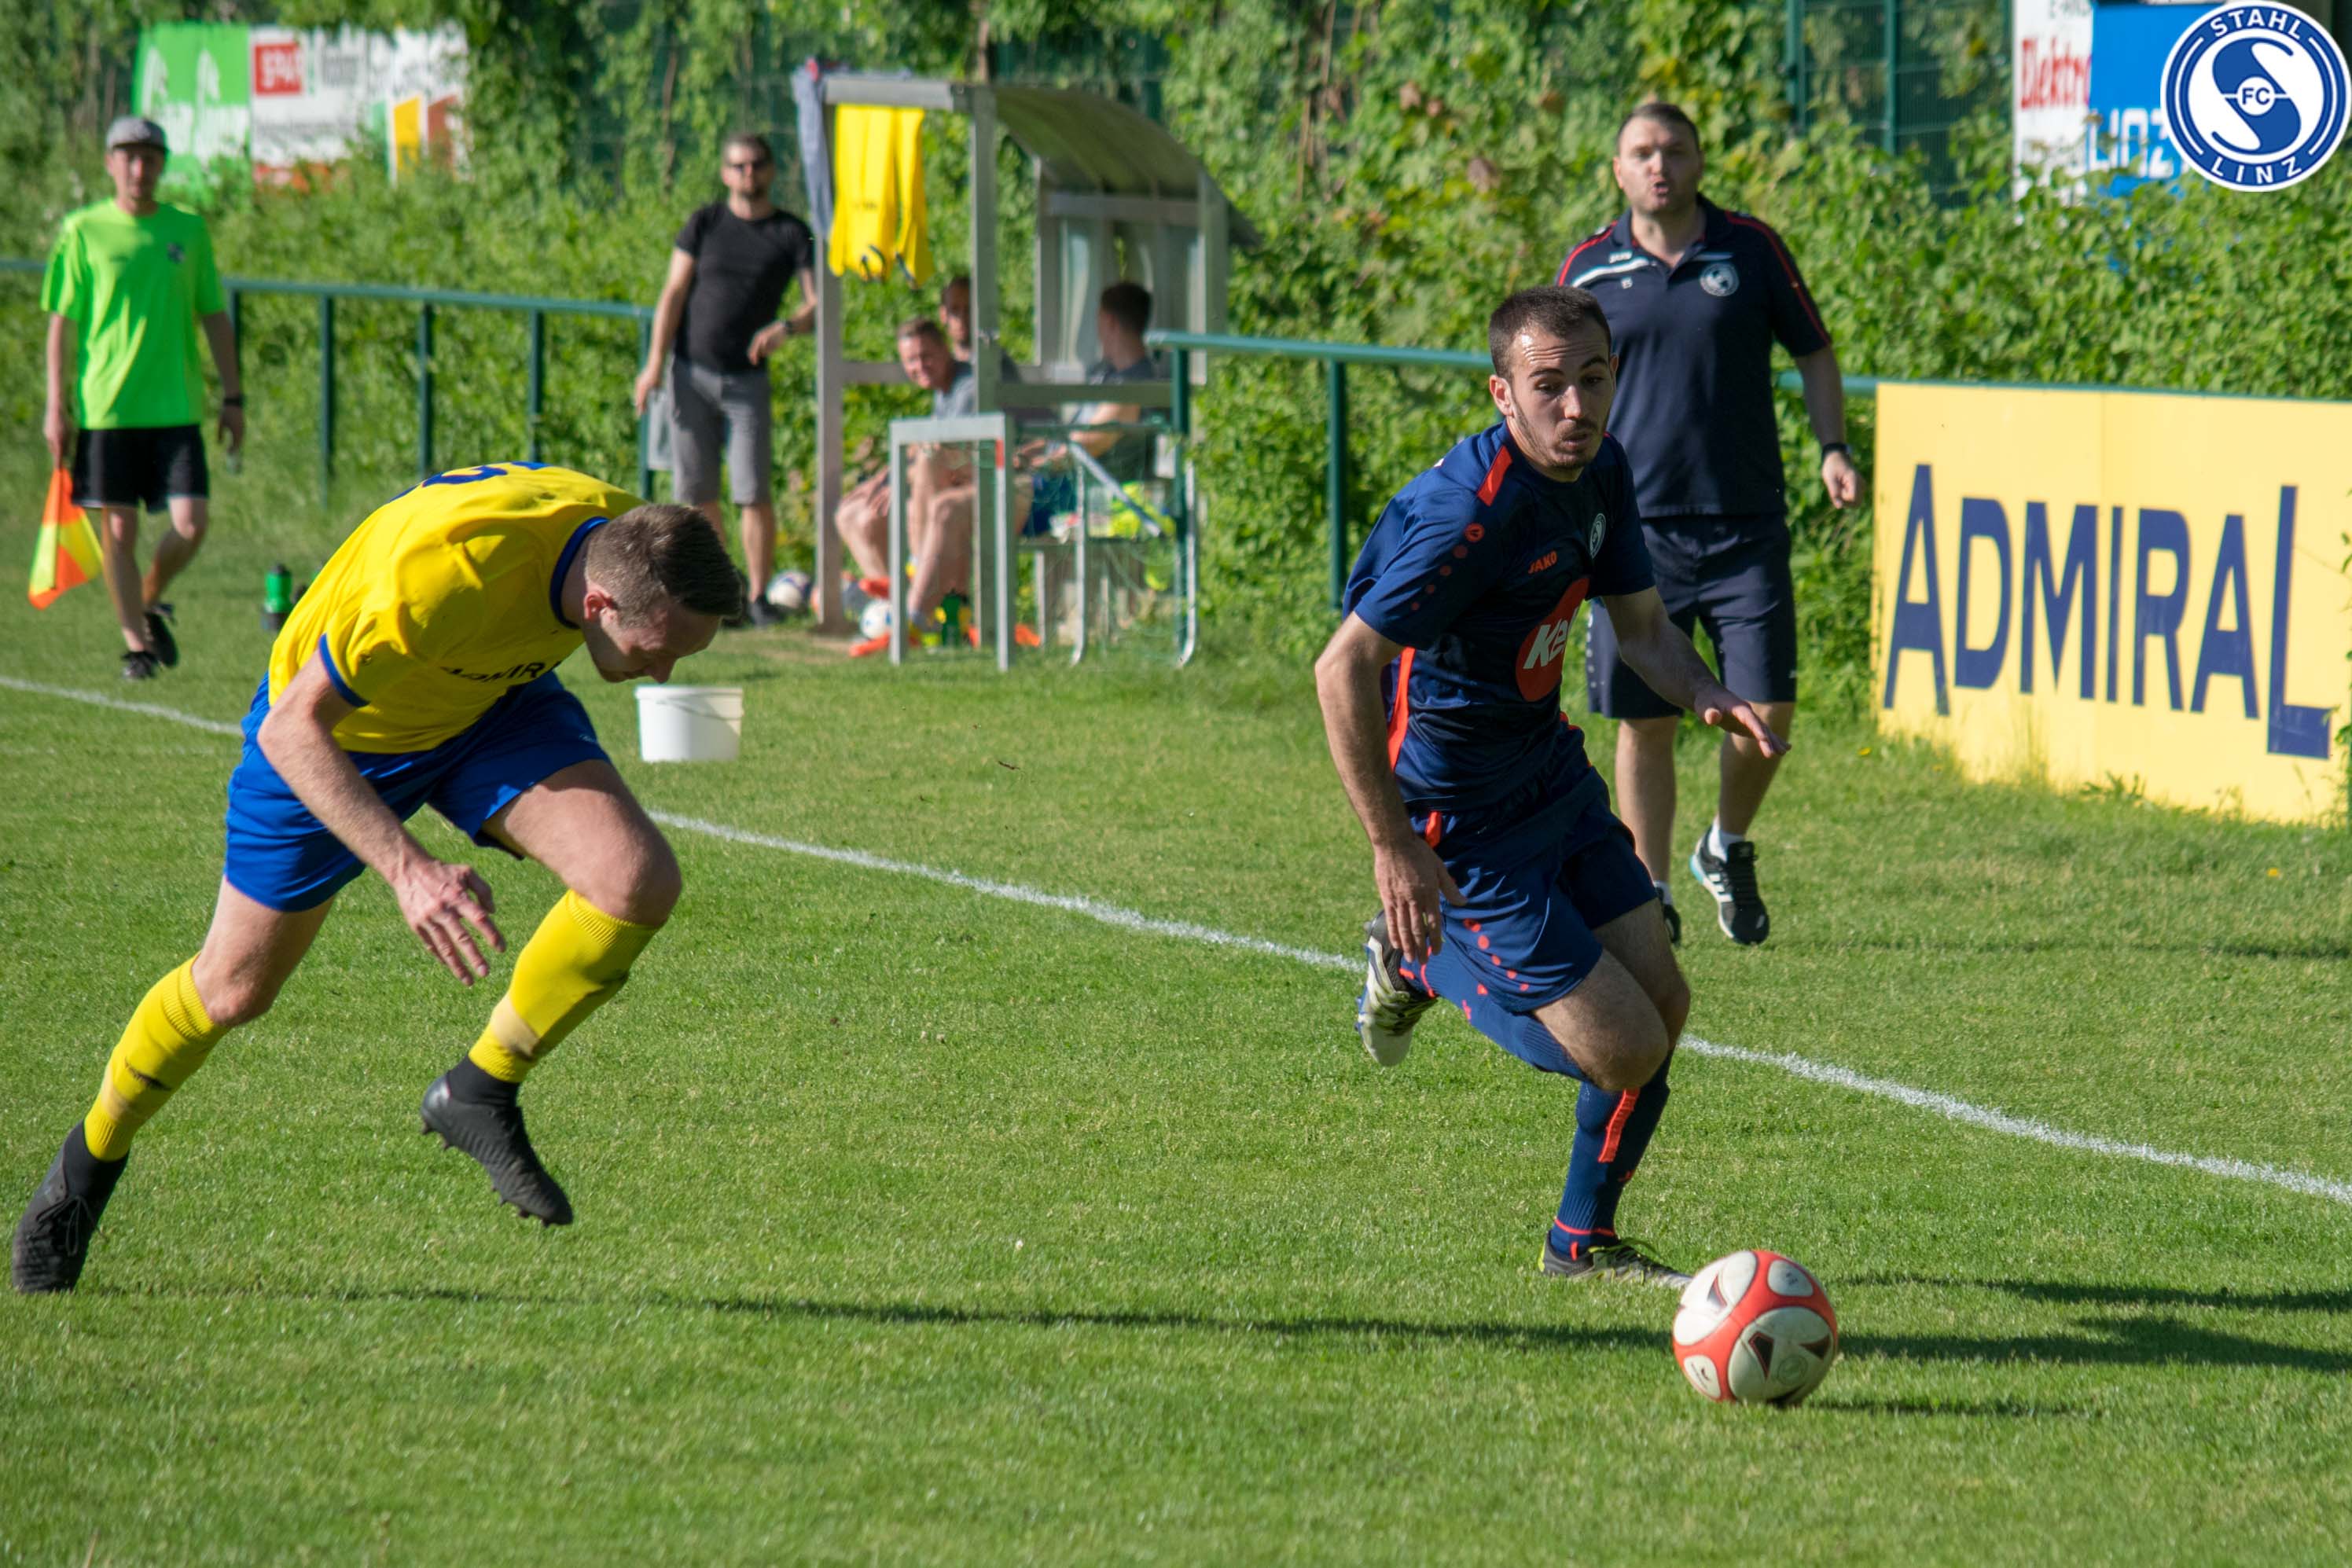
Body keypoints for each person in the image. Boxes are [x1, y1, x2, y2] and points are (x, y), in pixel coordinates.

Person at [9, 463, 742, 1294]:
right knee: (233, 989)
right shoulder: (443, 578)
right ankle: (86, 1166)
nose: (663, 675)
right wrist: (408, 869)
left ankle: (479, 1090)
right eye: (660, 651)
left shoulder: (628, 534)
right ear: (599, 604)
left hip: (485, 704)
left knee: (636, 879)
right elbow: (292, 729)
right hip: (334, 737)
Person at [1314, 286, 1786, 1287]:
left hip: (1550, 777)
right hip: (1460, 822)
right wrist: (1394, 845)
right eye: (1548, 386)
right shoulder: (1467, 518)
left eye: (1593, 379)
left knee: (1665, 1003)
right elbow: (1341, 667)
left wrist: (1706, 691)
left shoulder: (1601, 467)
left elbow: (1644, 630)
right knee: (1622, 1047)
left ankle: (1581, 1244)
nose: (1576, 406)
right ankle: (1417, 964)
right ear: (1502, 395)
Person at [1556, 101, 1860, 946]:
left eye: (1675, 150)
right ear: (1618, 170)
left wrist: (1833, 447)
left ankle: (1724, 844)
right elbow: (1547, 372)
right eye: (1642, 152)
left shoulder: (1751, 249)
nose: (1660, 166)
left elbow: (1815, 352)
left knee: (1767, 711)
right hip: (1632, 529)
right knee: (1646, 720)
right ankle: (1649, 891)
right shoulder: (1588, 266)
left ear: (1699, 161)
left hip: (1744, 524)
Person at [42, 116, 244, 682]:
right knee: (119, 533)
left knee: (192, 524)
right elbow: (61, 324)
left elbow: (214, 315)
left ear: (162, 165)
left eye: (150, 158)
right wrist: (55, 406)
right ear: (110, 163)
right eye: (128, 157)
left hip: (176, 407)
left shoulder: (188, 230)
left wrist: (234, 397)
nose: (139, 169)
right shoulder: (84, 231)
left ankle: (149, 596)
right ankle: (137, 646)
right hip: (108, 409)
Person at [632, 130, 818, 626]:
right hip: (689, 374)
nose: (748, 174)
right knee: (697, 493)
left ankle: (758, 598)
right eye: (738, 165)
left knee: (753, 491)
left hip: (747, 382)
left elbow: (818, 305)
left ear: (771, 169)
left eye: (756, 164)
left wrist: (786, 327)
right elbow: (673, 292)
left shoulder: (791, 232)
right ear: (725, 173)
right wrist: (653, 365)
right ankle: (720, 593)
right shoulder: (706, 222)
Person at [907, 281, 1163, 641]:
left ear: (1108, 321)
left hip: (1074, 494)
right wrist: (1028, 454)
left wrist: (1030, 463)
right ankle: (937, 607)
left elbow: (1087, 444)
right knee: (933, 460)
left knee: (949, 508)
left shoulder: (1136, 384)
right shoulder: (1104, 374)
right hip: (1047, 480)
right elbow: (1070, 438)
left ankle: (913, 620)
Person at [833, 275, 992, 598]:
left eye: (927, 356)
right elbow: (924, 447)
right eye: (911, 360)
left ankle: (922, 603)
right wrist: (882, 479)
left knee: (875, 517)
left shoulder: (969, 387)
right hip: (954, 482)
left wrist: (898, 481)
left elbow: (946, 454)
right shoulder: (942, 391)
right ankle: (899, 605)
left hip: (995, 481)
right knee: (850, 514)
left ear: (945, 349)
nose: (921, 366)